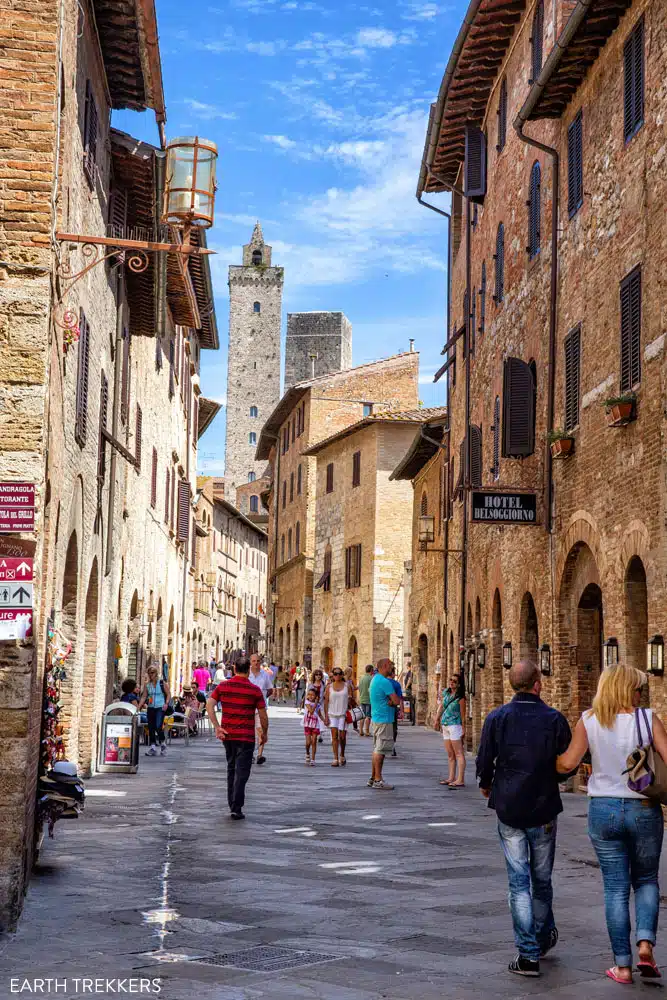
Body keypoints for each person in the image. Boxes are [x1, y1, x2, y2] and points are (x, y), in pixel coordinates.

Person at [556, 663, 667, 984]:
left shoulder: (589, 720)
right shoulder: (648, 719)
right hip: (643, 807)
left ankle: (622, 966)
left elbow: (567, 763)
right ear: (627, 688)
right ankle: (645, 943)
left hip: (603, 810)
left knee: (615, 889)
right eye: (637, 687)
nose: (639, 693)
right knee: (646, 879)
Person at [476, 660, 571, 978]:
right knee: (541, 881)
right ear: (538, 683)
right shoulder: (554, 719)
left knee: (519, 883)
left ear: (512, 684)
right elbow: (566, 764)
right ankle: (542, 941)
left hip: (510, 808)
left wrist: (488, 785)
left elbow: (484, 759)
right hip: (543, 807)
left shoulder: (497, 718)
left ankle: (527, 955)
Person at [206, 657, 269, 820]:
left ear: (234, 669)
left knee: (231, 768)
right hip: (246, 737)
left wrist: (216, 726)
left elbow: (209, 704)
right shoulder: (254, 690)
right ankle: (236, 806)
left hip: (228, 735)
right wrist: (264, 733)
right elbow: (263, 715)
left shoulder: (223, 686)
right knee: (242, 772)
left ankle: (233, 804)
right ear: (248, 670)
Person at [368, 658, 400, 790]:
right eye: (391, 666)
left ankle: (373, 777)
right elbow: (396, 700)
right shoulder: (384, 681)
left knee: (376, 749)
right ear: (385, 666)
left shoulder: (375, 679)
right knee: (380, 751)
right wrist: (392, 702)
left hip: (376, 718)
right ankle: (378, 780)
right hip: (384, 719)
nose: (392, 669)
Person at [434, 671, 467, 788]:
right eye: (450, 680)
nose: (452, 683)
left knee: (458, 753)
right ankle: (451, 777)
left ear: (459, 684)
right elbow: (442, 706)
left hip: (455, 725)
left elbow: (463, 715)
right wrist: (437, 719)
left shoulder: (461, 698)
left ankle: (460, 779)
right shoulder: (446, 694)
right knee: (450, 754)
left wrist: (464, 729)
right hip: (445, 725)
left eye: (455, 681)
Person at [138, 665, 171, 757]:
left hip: (160, 707)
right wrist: (139, 706)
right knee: (151, 727)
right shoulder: (147, 685)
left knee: (158, 726)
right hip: (151, 707)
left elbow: (168, 694)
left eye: (152, 672)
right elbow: (144, 696)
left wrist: (166, 703)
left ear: (156, 673)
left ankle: (163, 743)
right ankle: (153, 747)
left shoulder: (162, 683)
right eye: (149, 673)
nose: (150, 674)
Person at [249, 652, 273, 765]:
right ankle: (250, 754)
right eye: (254, 661)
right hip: (248, 707)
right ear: (250, 662)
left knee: (260, 730)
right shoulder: (246, 674)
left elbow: (270, 689)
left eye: (258, 661)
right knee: (249, 732)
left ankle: (259, 754)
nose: (256, 663)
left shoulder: (264, 674)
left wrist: (262, 699)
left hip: (260, 708)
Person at [324, 667, 350, 767]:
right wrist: (326, 716)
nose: (337, 676)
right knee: (334, 736)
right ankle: (335, 758)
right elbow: (326, 702)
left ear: (342, 674)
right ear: (332, 675)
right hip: (332, 714)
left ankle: (342, 754)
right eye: (335, 674)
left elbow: (351, 699)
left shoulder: (347, 686)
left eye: (339, 674)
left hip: (343, 714)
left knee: (342, 737)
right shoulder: (329, 687)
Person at [302, 688, 325, 765]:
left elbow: (319, 714)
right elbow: (311, 711)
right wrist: (315, 703)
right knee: (308, 743)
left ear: (316, 696)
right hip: (307, 724)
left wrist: (325, 721)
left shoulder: (318, 705)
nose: (310, 696)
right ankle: (307, 753)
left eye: (312, 695)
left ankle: (313, 759)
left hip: (315, 724)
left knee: (314, 741)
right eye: (309, 694)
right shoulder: (307, 702)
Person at [388, 666, 402, 757]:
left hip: (381, 709)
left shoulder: (381, 682)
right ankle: (392, 746)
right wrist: (401, 710)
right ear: (392, 673)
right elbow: (399, 698)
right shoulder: (396, 684)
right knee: (393, 729)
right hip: (393, 709)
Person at [357, 664, 374, 738]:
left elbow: (359, 688)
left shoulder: (361, 678)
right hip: (369, 699)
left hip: (362, 698)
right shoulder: (371, 678)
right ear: (371, 670)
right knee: (368, 716)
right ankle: (366, 731)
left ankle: (360, 730)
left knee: (362, 716)